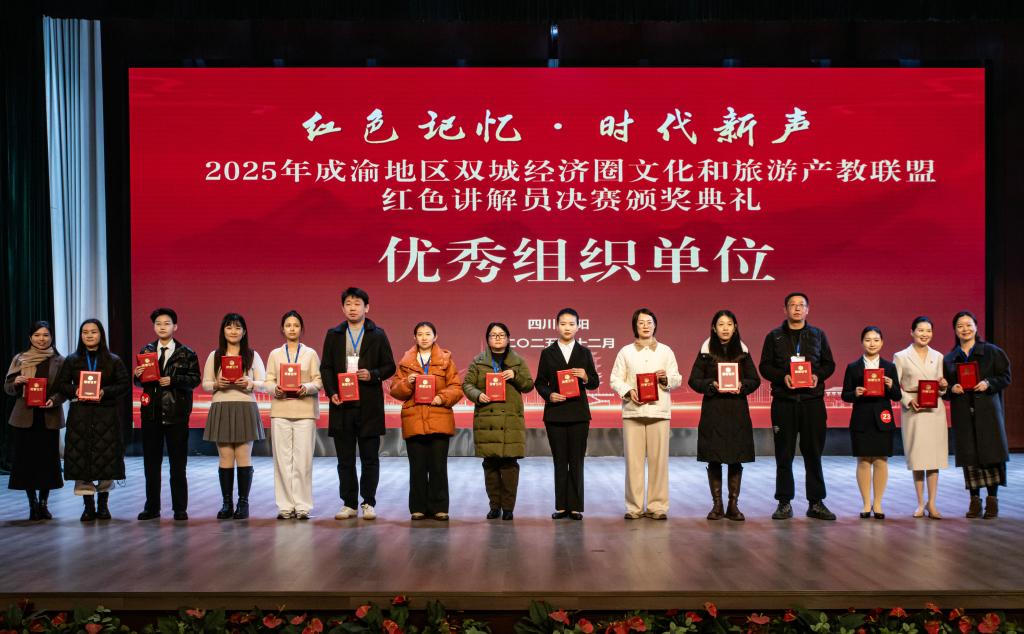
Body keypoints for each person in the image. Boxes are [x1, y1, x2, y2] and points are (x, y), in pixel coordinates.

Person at [758, 292, 837, 521]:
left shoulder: (818, 335)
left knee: (814, 454)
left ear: (807, 309)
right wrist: (782, 377)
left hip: (812, 402)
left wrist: (817, 376)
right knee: (784, 455)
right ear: (785, 310)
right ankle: (784, 502)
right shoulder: (774, 336)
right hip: (784, 402)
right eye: (792, 305)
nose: (797, 308)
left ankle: (816, 502)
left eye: (801, 305)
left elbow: (829, 364)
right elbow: (764, 366)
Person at [320, 288, 395, 520]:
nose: (353, 308)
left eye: (357, 304)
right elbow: (326, 367)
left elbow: (389, 366)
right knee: (345, 459)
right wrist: (331, 392)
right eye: (348, 304)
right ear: (342, 308)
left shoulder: (377, 334)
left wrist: (372, 374)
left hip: (369, 405)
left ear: (367, 307)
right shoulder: (333, 334)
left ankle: (368, 502)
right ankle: (349, 503)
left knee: (370, 458)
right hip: (342, 405)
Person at [609, 308, 682, 520]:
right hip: (633, 412)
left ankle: (657, 506)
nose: (645, 326)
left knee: (659, 463)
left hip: (659, 412)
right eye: (641, 322)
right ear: (635, 326)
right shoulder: (625, 352)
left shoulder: (666, 351)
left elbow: (677, 378)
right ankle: (634, 507)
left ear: (655, 324)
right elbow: (615, 379)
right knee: (634, 463)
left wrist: (665, 379)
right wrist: (628, 391)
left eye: (649, 322)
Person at [687, 310, 760, 521]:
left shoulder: (743, 351)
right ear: (714, 328)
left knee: (736, 458)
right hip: (714, 409)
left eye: (729, 324)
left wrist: (742, 385)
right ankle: (717, 505)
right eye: (721, 324)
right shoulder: (706, 351)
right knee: (715, 458)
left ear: (735, 327)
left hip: (737, 410)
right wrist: (711, 384)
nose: (725, 328)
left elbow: (754, 380)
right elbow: (693, 380)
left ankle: (733, 505)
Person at [57, 319, 131, 522]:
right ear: (81, 336)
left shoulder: (113, 360)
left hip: (105, 416)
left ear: (101, 335)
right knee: (81, 460)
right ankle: (88, 506)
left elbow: (124, 384)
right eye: (85, 332)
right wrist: (75, 390)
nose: (89, 335)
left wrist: (105, 392)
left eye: (93, 332)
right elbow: (62, 384)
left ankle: (103, 505)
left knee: (106, 460)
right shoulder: (71, 360)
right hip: (80, 416)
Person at [389, 321, 463, 521]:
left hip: (439, 418)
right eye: (420, 334)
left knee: (438, 467)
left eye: (428, 334)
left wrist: (441, 398)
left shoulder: (445, 360)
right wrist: (407, 382)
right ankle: (418, 507)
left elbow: (456, 388)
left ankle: (440, 507)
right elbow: (394, 390)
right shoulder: (406, 362)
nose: (424, 337)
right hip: (414, 420)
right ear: (414, 337)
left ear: (435, 337)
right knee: (417, 468)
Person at [133, 307, 201, 521]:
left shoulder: (187, 353)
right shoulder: (146, 351)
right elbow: (140, 383)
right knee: (151, 465)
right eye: (158, 324)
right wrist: (137, 376)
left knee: (178, 465)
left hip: (176, 414)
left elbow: (195, 380)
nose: (162, 327)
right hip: (151, 414)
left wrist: (174, 380)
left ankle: (180, 508)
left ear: (175, 327)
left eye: (166, 323)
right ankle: (152, 507)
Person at [462, 322, 535, 521]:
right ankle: (494, 506)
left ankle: (508, 508)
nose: (497, 338)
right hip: (487, 419)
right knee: (490, 466)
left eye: (501, 335)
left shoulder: (517, 361)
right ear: (487, 339)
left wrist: (515, 376)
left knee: (510, 466)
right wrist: (478, 395)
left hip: (510, 421)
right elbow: (467, 385)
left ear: (508, 338)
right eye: (493, 335)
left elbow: (529, 385)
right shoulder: (478, 361)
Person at [943, 311, 1012, 519]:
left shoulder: (992, 352)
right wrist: (951, 389)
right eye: (960, 326)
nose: (965, 329)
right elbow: (944, 388)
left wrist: (988, 383)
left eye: (968, 325)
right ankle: (974, 501)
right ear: (955, 330)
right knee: (970, 458)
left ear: (976, 326)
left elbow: (1005, 377)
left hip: (988, 413)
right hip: (964, 414)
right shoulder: (950, 358)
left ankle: (992, 501)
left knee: (991, 457)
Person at [534, 308, 600, 521]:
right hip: (555, 414)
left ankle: (576, 506)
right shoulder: (548, 353)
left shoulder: (584, 353)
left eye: (571, 324)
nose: (567, 328)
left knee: (577, 461)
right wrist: (549, 395)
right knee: (560, 461)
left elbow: (595, 382)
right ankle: (562, 506)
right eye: (563, 324)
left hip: (579, 414)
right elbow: (539, 382)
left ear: (578, 326)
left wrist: (586, 376)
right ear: (557, 326)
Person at [202, 312, 266, 520]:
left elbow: (264, 383)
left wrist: (250, 382)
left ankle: (243, 503)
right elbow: (205, 384)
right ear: (223, 331)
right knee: (225, 457)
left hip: (245, 406)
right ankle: (227, 503)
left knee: (243, 456)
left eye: (238, 327)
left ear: (244, 332)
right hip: (221, 406)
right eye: (229, 327)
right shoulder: (214, 356)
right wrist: (216, 384)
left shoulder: (252, 355)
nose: (233, 331)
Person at [264, 310, 323, 520]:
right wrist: (275, 389)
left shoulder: (310, 353)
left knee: (303, 462)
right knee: (282, 462)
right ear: (282, 329)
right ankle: (285, 506)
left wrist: (306, 388)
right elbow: (268, 381)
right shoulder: (274, 354)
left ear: (301, 329)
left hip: (305, 412)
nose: (292, 329)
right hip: (281, 411)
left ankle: (303, 506)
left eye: (296, 325)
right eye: (288, 325)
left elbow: (318, 381)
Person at [4, 321, 66, 520]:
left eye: (46, 335)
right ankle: (32, 503)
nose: (42, 339)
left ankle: (44, 503)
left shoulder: (60, 360)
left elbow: (65, 389)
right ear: (30, 337)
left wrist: (54, 400)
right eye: (37, 335)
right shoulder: (20, 359)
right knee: (27, 463)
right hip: (25, 417)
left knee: (47, 463)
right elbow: (7, 387)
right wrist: (16, 382)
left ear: (51, 337)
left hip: (48, 417)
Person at [840, 326, 902, 519]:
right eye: (868, 340)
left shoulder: (889, 367)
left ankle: (878, 503)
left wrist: (891, 385)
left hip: (883, 418)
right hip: (861, 419)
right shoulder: (853, 367)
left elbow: (897, 396)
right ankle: (866, 503)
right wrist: (855, 393)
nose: (872, 343)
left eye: (876, 340)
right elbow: (845, 395)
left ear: (882, 342)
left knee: (881, 460)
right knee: (864, 460)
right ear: (862, 342)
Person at [893, 316, 949, 519]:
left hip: (934, 410)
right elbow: (895, 386)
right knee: (917, 458)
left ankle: (932, 503)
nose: (925, 334)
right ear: (912, 332)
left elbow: (941, 387)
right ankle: (919, 503)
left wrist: (943, 387)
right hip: (914, 410)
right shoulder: (901, 356)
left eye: (928, 331)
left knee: (933, 458)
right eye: (921, 330)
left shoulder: (939, 356)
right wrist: (908, 400)